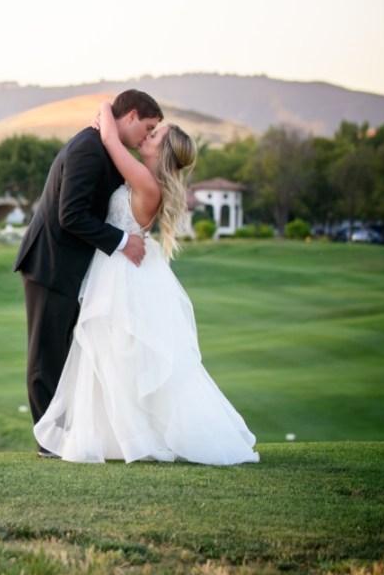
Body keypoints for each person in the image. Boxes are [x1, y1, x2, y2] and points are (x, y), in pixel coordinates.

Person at [32, 101, 259, 465]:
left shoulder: (143, 179)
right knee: (113, 354)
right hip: (120, 267)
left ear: (162, 151)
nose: (147, 136)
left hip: (120, 273)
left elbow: (109, 138)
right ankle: (117, 435)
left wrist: (106, 108)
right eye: (150, 129)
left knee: (111, 352)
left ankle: (125, 436)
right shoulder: (144, 179)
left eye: (154, 135)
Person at [14, 89, 163, 456]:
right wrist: (122, 241)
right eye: (147, 127)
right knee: (46, 358)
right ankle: (48, 443)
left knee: (66, 358)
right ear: (129, 116)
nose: (146, 135)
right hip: (51, 264)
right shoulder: (88, 149)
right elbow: (72, 214)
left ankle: (65, 437)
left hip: (73, 269)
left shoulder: (106, 146)